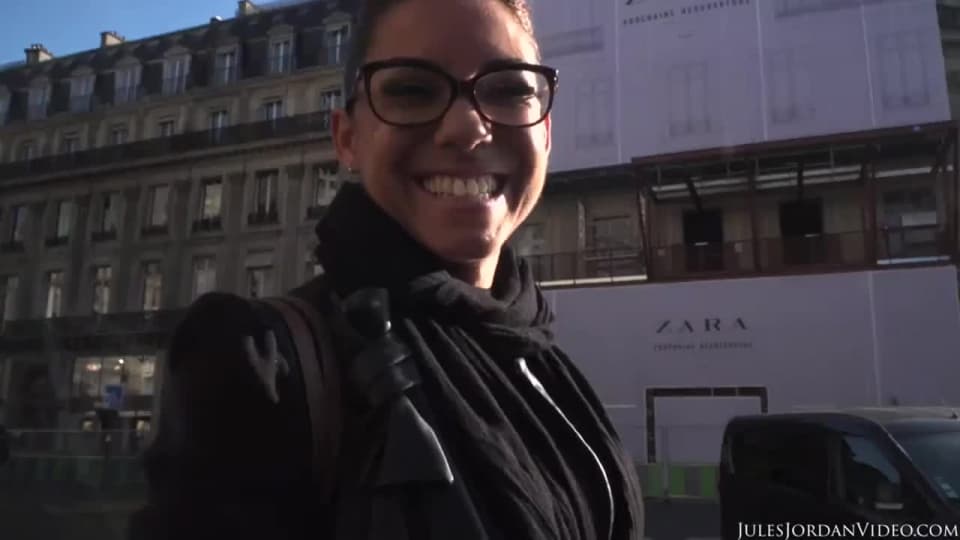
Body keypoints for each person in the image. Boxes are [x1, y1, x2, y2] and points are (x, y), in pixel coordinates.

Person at [128, 0, 644, 538]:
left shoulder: (543, 358)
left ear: (546, 133)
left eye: (509, 89)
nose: (468, 126)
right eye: (413, 90)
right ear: (346, 138)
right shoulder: (262, 372)